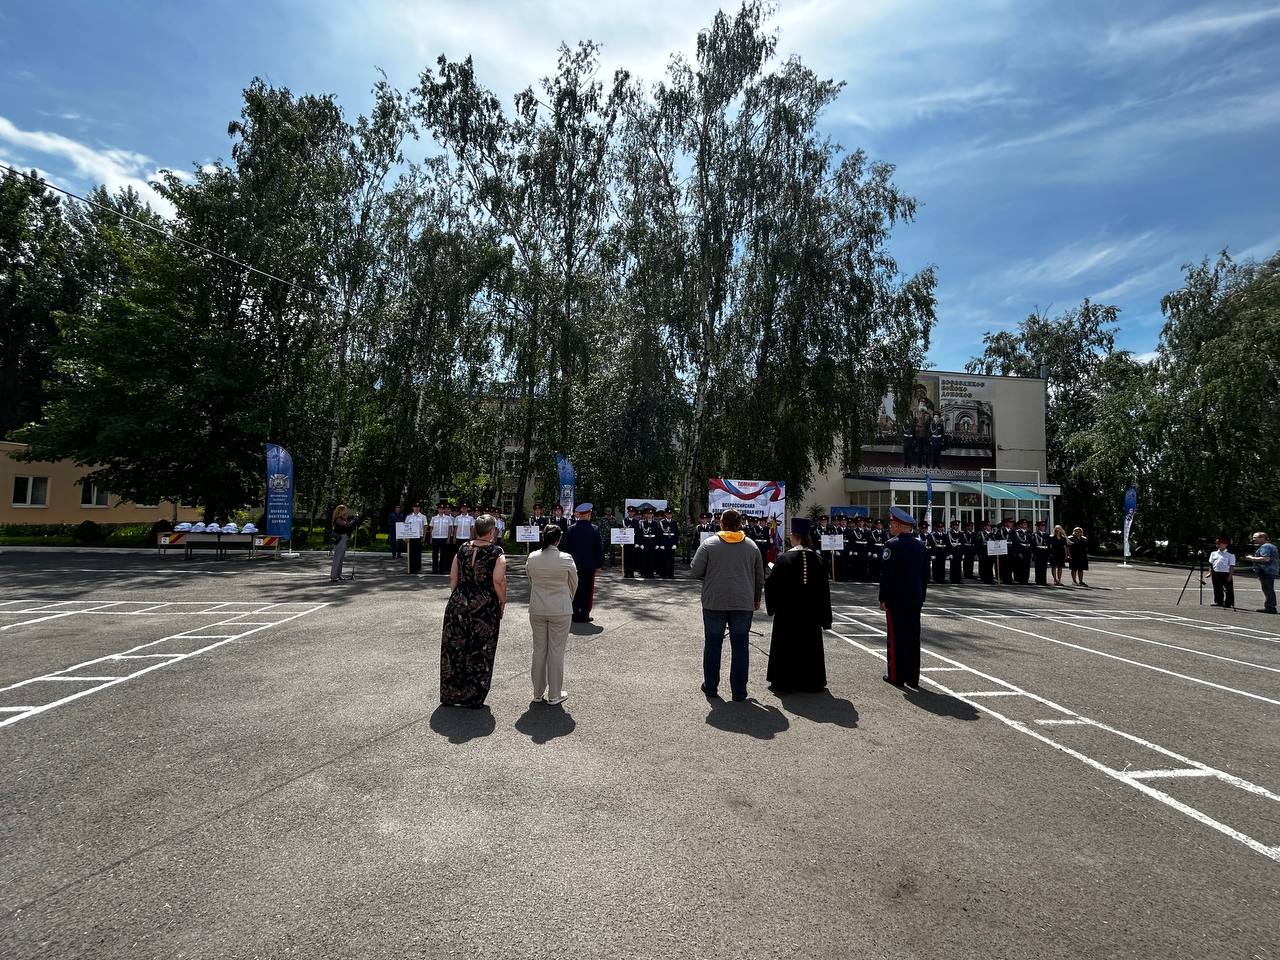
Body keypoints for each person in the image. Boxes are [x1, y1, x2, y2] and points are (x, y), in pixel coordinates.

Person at [690, 508, 766, 702]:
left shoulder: (709, 544)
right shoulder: (752, 546)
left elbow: (696, 570)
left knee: (713, 643)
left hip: (715, 601)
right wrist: (756, 598)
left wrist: (712, 575)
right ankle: (739, 691)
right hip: (743, 602)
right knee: (740, 646)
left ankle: (710, 687)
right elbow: (759, 577)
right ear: (740, 524)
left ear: (721, 523)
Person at [440, 514, 507, 707]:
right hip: (484, 606)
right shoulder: (496, 552)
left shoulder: (462, 548)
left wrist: (458, 597)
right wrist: (502, 601)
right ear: (492, 531)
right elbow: (498, 580)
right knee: (480, 649)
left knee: (454, 648)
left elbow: (453, 578)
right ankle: (473, 696)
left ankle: (451, 693)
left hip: (458, 603)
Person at [764, 517, 831, 692]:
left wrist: (772, 606)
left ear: (795, 536)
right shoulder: (817, 559)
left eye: (791, 535)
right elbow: (824, 590)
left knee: (787, 646)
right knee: (810, 646)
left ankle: (785, 681)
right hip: (811, 613)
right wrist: (825, 616)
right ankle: (811, 682)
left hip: (788, 612)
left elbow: (772, 585)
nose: (789, 538)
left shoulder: (784, 559)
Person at [526, 524, 578, 704]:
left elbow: (530, 579)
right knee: (556, 651)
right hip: (560, 608)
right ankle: (554, 694)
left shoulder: (532, 557)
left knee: (539, 650)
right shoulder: (566, 558)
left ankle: (537, 692)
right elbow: (574, 583)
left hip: (537, 607)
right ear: (558, 539)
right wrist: (567, 598)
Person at [880, 506, 928, 688]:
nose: (890, 527)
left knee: (896, 638)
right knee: (913, 638)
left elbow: (887, 575)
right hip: (915, 599)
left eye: (892, 524)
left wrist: (883, 598)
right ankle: (913, 677)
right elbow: (925, 576)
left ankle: (897, 676)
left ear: (899, 526)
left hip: (896, 600)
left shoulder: (892, 545)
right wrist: (921, 596)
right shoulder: (921, 545)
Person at [564, 504, 605, 622]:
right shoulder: (594, 529)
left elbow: (566, 548)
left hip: (574, 566)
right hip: (589, 566)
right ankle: (584, 614)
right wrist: (599, 564)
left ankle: (574, 613)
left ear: (579, 514)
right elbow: (598, 549)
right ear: (589, 514)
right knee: (587, 590)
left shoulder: (571, 529)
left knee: (574, 589)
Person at [1244, 532, 1278, 614]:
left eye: (1255, 537)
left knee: (1268, 589)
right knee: (1268, 589)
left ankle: (1270, 607)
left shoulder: (1265, 546)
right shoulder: (1270, 546)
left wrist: (1251, 558)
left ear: (1262, 538)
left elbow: (1265, 558)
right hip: (1270, 570)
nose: (1253, 539)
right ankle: (1270, 606)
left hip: (1266, 571)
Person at [330, 504, 357, 581]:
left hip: (344, 538)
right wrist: (354, 520)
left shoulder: (344, 518)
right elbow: (347, 525)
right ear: (341, 511)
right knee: (337, 558)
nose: (346, 511)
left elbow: (349, 525)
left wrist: (354, 519)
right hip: (339, 539)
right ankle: (333, 576)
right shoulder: (338, 519)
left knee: (341, 558)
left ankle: (338, 574)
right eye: (345, 510)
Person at [1208, 537, 1236, 609]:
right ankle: (1219, 601)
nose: (1218, 545)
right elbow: (1211, 564)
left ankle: (1229, 603)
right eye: (1217, 544)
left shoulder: (1230, 554)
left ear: (1225, 544)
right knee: (1217, 588)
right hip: (1216, 573)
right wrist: (1210, 572)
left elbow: (1232, 566)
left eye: (1220, 544)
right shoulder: (1213, 553)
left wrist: (1230, 576)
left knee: (1228, 589)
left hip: (1226, 573)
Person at [430, 501, 453, 576]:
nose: (441, 510)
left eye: (442, 509)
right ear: (437, 509)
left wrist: (448, 538)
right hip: (435, 538)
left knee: (443, 555)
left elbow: (450, 529)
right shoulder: (434, 518)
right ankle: (434, 570)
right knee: (435, 555)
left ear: (444, 510)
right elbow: (431, 528)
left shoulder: (448, 518)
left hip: (444, 538)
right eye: (439, 509)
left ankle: (442, 570)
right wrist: (431, 538)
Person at [405, 502, 427, 574]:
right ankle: (411, 568)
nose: (416, 508)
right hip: (410, 537)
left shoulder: (423, 517)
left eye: (418, 507)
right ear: (413, 508)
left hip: (419, 537)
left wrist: (424, 537)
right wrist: (405, 537)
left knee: (417, 553)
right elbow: (405, 527)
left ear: (419, 508)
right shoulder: (409, 517)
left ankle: (417, 569)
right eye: (415, 507)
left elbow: (425, 527)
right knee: (411, 553)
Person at [1032, 520, 1051, 586]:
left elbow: (1049, 545)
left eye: (1043, 526)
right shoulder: (1035, 534)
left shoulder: (1046, 535)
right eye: (1041, 526)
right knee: (1038, 567)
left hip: (1045, 552)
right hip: (1038, 552)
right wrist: (1034, 554)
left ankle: (1043, 581)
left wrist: (1049, 553)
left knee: (1044, 567)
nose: (1043, 527)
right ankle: (1038, 580)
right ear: (1038, 527)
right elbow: (1033, 545)